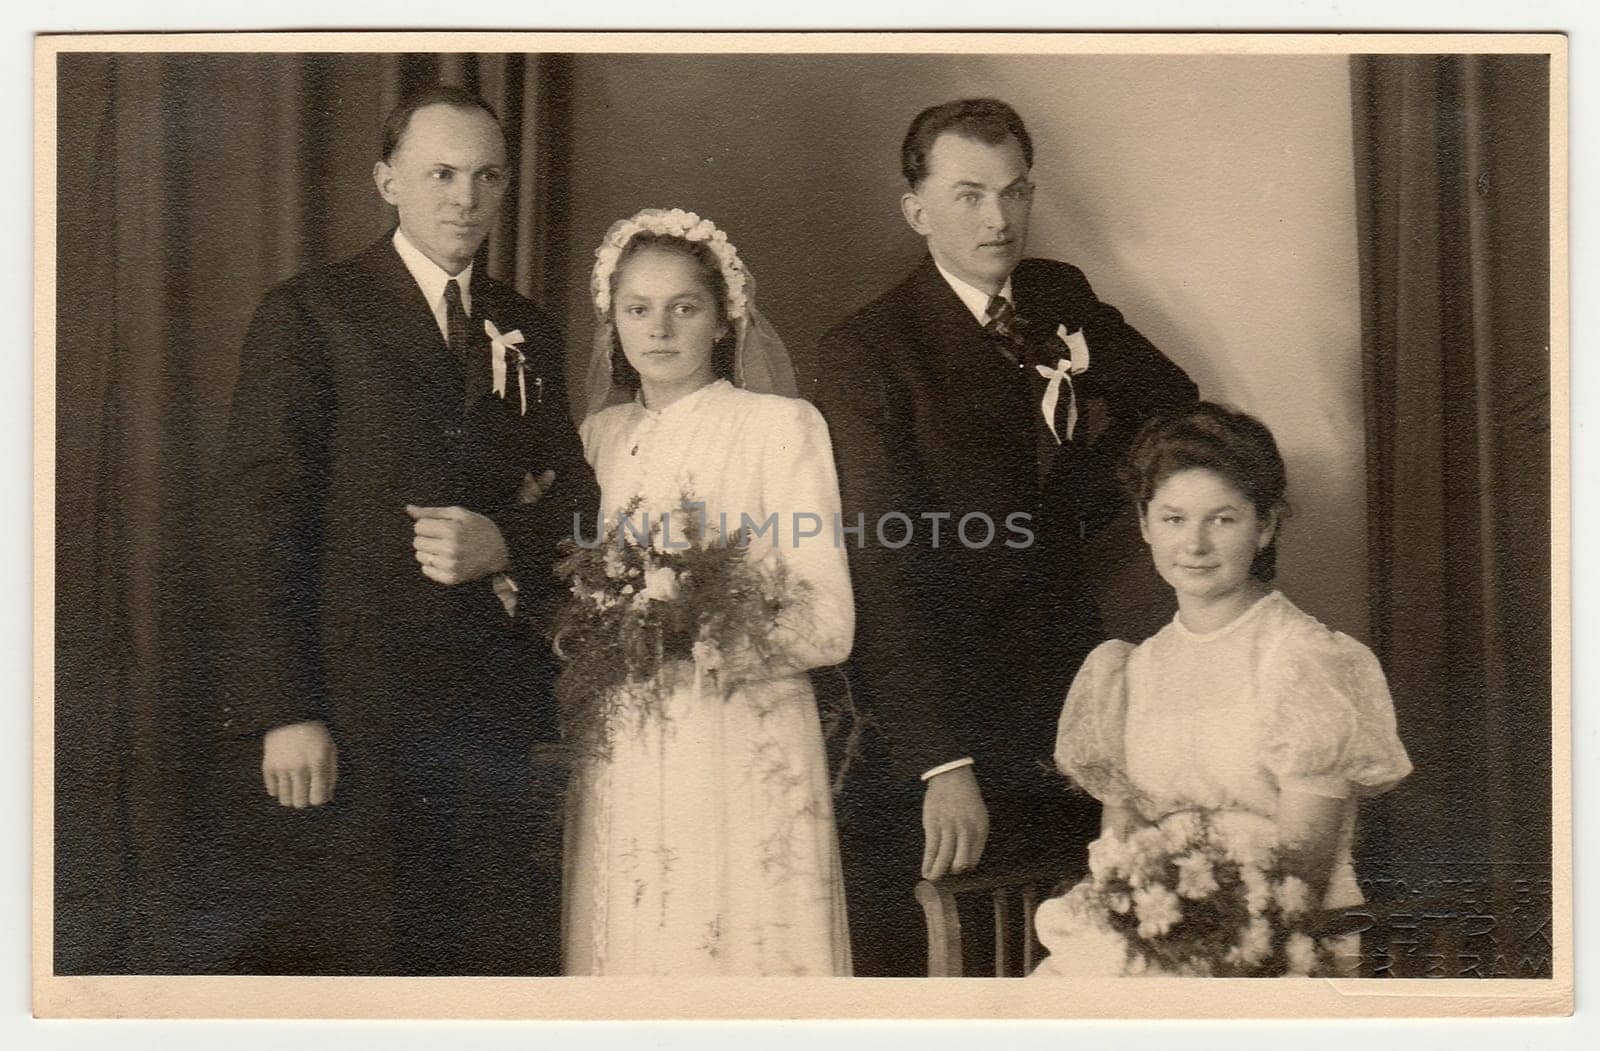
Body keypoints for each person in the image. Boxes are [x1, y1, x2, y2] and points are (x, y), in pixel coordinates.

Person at [811, 97, 1197, 974]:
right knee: (962, 959)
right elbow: (884, 566)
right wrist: (941, 763)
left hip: (1070, 684)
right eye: (969, 194)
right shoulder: (868, 350)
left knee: (1086, 940)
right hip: (950, 709)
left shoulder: (1058, 294)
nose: (998, 217)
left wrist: (1078, 498)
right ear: (917, 210)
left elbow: (1173, 402)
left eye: (1015, 192)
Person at [218, 84, 596, 975]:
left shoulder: (525, 328)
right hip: (358, 707)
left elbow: (580, 492)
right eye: (440, 174)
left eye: (486, 176)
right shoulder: (311, 313)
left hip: (495, 708)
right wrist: (288, 708)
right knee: (373, 954)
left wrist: (508, 539)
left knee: (489, 955)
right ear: (388, 181)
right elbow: (260, 522)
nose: (465, 198)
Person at [561, 208, 854, 975]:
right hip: (628, 737)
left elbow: (829, 618)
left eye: (683, 308)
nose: (659, 329)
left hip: (738, 733)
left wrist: (700, 626)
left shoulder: (779, 426)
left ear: (725, 317)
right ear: (612, 320)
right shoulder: (595, 437)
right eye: (638, 309)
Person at [1032, 402, 1413, 977]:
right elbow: (1120, 848)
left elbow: (1301, 871)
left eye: (1223, 519)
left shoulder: (1302, 658)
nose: (1195, 545)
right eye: (1174, 519)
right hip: (1161, 932)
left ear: (1265, 525)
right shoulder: (1129, 670)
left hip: (1278, 936)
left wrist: (1201, 933)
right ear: (1143, 524)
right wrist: (1142, 919)